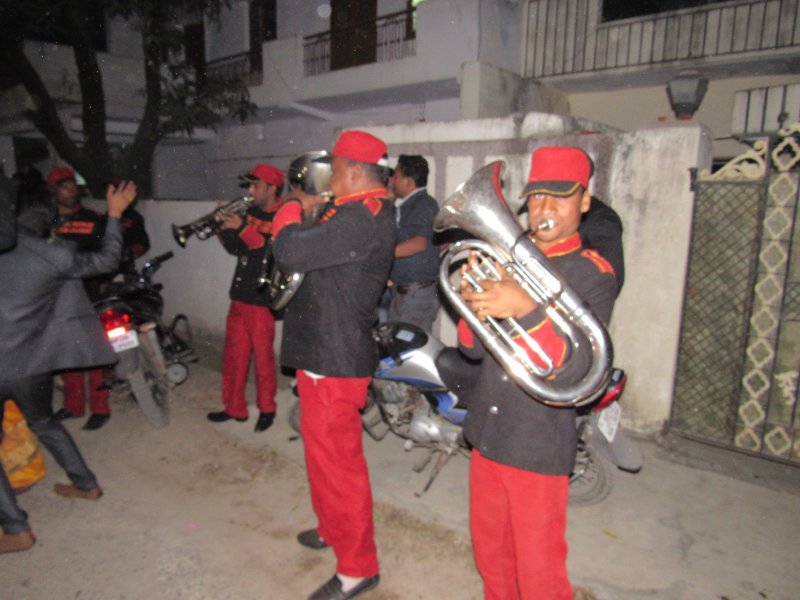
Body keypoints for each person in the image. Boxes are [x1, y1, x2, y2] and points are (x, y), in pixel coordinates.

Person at [458, 146, 618, 599]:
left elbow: (580, 372)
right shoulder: (507, 260)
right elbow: (471, 351)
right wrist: (476, 298)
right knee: (491, 559)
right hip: (488, 433)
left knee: (540, 575)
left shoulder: (593, 274)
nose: (543, 210)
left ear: (585, 201)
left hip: (537, 442)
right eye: (536, 198)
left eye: (560, 198)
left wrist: (526, 310)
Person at [271, 131, 396, 600]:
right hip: (322, 350)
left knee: (340, 468)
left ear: (355, 171)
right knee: (321, 460)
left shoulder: (362, 217)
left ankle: (358, 568)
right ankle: (332, 529)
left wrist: (290, 204)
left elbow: (290, 249)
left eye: (335, 167)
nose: (328, 177)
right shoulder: (352, 212)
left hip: (336, 356)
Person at [0, 180, 137, 554]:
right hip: (30, 366)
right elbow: (107, 261)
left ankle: (15, 527)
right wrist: (113, 214)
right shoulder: (52, 255)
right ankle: (85, 483)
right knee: (45, 423)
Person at [206, 163, 284, 433]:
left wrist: (241, 227)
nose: (250, 190)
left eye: (255, 185)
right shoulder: (250, 212)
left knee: (263, 359)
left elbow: (267, 251)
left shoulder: (283, 215)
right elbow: (236, 249)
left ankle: (267, 408)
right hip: (240, 293)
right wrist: (220, 227)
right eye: (249, 185)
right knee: (234, 356)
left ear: (272, 188)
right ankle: (234, 407)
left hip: (262, 297)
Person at [47, 166, 113, 430]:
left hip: (89, 293)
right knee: (66, 353)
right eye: (64, 186)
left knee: (95, 353)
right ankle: (73, 405)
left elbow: (107, 251)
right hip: (56, 296)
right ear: (52, 190)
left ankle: (100, 407)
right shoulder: (46, 220)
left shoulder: (93, 218)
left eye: (73, 185)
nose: (71, 190)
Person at [384, 154, 440, 332]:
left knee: (408, 349)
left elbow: (418, 244)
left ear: (408, 182)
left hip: (415, 295)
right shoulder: (408, 206)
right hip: (406, 293)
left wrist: (382, 254)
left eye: (397, 176)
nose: (392, 180)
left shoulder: (422, 204)